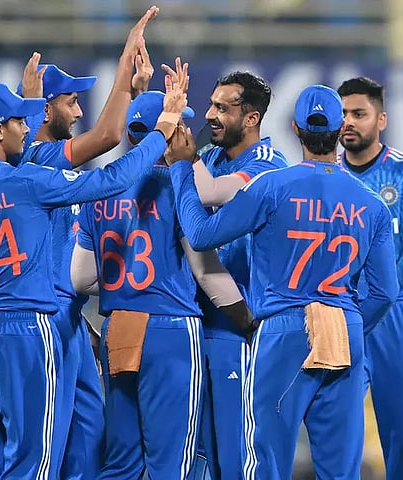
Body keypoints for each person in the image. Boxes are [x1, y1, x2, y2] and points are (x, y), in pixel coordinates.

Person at [0, 80, 187, 479]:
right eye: (20, 122)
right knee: (34, 465)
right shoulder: (27, 181)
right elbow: (113, 180)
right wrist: (162, 130)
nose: (27, 129)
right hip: (23, 330)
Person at [167, 84, 399, 479]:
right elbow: (385, 293)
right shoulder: (371, 203)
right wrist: (347, 325)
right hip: (345, 330)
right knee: (341, 470)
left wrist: (180, 169)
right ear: (339, 130)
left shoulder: (271, 186)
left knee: (265, 463)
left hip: (283, 330)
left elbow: (202, 235)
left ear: (295, 128)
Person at [71, 74, 251, 479]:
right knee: (173, 462)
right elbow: (206, 270)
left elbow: (80, 278)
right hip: (170, 329)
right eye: (180, 123)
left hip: (119, 326)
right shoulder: (178, 185)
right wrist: (246, 318)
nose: (186, 129)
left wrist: (124, 286)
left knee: (121, 462)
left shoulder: (100, 188)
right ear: (167, 133)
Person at [14, 6, 158, 478]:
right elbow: (109, 135)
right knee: (48, 448)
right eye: (71, 102)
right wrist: (125, 65)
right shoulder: (36, 158)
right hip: (45, 317)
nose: (78, 112)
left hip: (71, 317)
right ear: (45, 108)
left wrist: (137, 92)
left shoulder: (48, 161)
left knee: (90, 440)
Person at [161, 68, 288, 480]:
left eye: (222, 108)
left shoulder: (269, 165)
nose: (210, 115)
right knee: (200, 457)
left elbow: (209, 192)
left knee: (238, 453)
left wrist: (186, 158)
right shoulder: (212, 157)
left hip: (242, 329)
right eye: (211, 104)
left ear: (251, 118)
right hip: (200, 323)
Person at [338, 77, 403, 480]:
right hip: (342, 312)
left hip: (398, 317)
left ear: (381, 119)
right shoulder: (328, 174)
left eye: (359, 114)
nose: (349, 122)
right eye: (343, 114)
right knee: (337, 431)